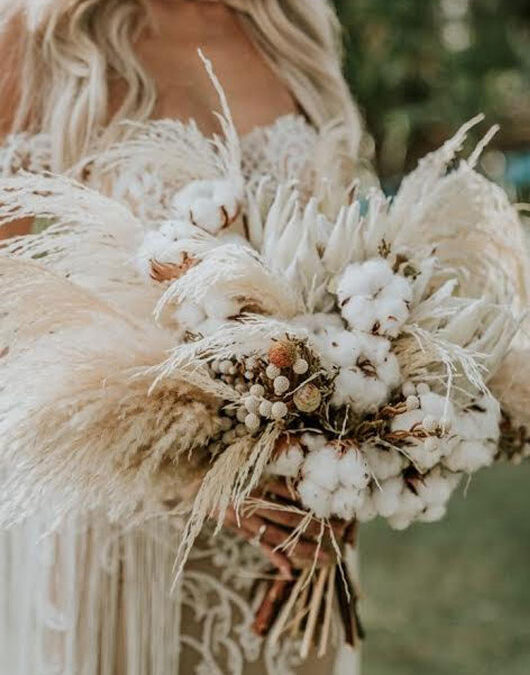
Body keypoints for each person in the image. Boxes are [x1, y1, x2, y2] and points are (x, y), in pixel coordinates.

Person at [0, 1, 364, 673]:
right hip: (129, 515)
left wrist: (364, 437)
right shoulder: (38, 35)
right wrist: (186, 462)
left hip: (296, 514)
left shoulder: (294, 27)